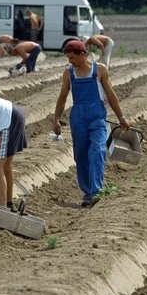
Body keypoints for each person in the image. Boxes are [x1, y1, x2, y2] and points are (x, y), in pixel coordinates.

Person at [53, 40, 130, 207]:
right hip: (78, 117)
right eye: (68, 58)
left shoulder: (99, 70)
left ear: (83, 54)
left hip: (97, 117)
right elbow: (63, 96)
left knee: (98, 150)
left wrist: (121, 117)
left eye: (72, 57)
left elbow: (110, 94)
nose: (70, 61)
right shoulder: (69, 73)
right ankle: (88, 192)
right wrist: (56, 118)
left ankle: (96, 191)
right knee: (80, 155)